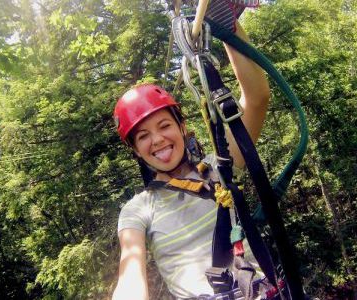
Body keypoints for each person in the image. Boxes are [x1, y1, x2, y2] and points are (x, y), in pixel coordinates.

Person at [112, 22, 270, 300]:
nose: (158, 140)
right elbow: (130, 274)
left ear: (182, 127)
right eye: (143, 136)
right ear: (136, 151)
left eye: (164, 126)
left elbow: (256, 99)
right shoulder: (138, 210)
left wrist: (226, 26)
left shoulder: (218, 167)